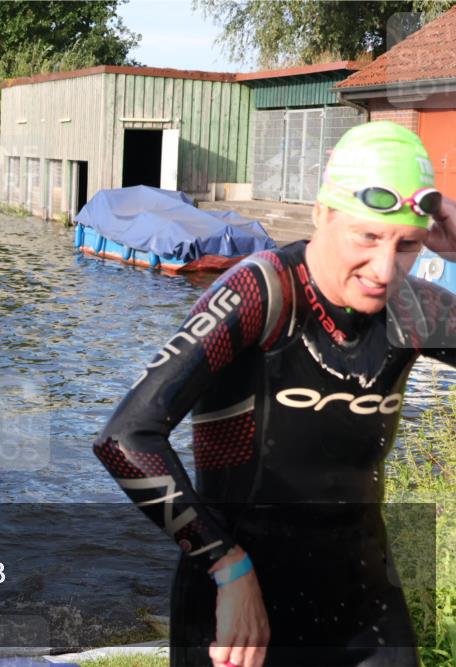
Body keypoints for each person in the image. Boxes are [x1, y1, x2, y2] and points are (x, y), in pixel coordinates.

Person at [92, 121, 456, 667]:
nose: (384, 270)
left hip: (361, 602)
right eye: (367, 237)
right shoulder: (260, 294)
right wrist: (226, 565)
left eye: (406, 245)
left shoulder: (413, 308)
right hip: (241, 601)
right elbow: (125, 437)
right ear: (322, 214)